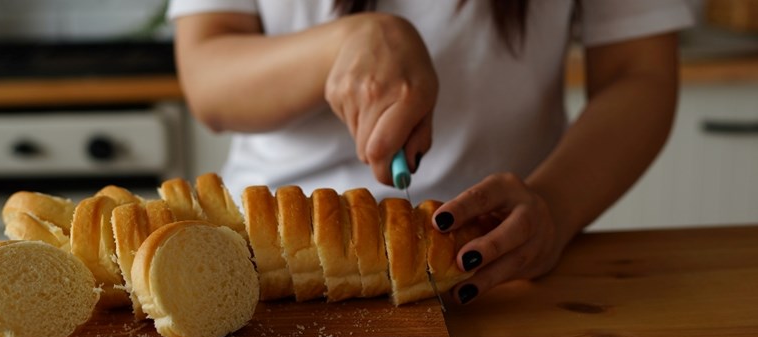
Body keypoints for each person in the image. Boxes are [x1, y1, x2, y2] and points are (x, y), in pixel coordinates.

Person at [168, 0, 695, 305]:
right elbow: (207, 74)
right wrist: (349, 40)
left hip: (497, 270)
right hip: (260, 270)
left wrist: (553, 208)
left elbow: (639, 73)